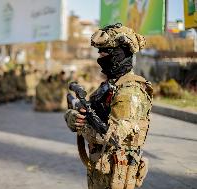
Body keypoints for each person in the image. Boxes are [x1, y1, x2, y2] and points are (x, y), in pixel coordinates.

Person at [64, 23, 153, 189]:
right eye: (99, 51)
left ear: (119, 54)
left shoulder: (130, 92)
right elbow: (88, 111)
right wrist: (75, 115)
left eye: (105, 52)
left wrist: (79, 125)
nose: (100, 56)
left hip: (115, 176)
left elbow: (112, 138)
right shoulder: (110, 86)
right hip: (101, 170)